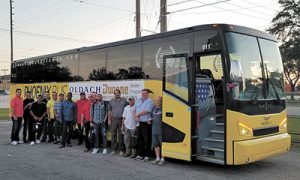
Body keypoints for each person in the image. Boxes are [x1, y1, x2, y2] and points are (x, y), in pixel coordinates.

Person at [134, 89, 154, 162]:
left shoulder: (150, 101)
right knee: (140, 139)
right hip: (139, 122)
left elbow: (147, 111)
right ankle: (140, 154)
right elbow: (134, 109)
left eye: (145, 93)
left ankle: (147, 155)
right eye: (143, 93)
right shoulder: (138, 100)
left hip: (146, 123)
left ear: (148, 94)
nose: (144, 94)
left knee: (147, 140)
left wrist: (137, 114)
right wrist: (135, 116)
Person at [108, 89, 127, 155]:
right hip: (113, 119)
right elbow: (109, 111)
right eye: (115, 93)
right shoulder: (111, 101)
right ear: (114, 94)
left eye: (118, 93)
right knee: (113, 135)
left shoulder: (124, 100)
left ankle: (121, 150)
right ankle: (114, 149)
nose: (116, 94)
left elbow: (127, 110)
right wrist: (109, 119)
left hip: (121, 119)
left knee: (121, 135)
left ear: (120, 93)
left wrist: (125, 120)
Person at [150, 96, 165, 166]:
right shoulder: (153, 108)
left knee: (162, 145)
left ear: (161, 101)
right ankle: (157, 158)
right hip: (154, 130)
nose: (158, 101)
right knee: (156, 145)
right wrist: (149, 120)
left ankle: (163, 159)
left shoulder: (164, 108)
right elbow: (151, 117)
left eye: (159, 100)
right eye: (157, 100)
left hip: (161, 130)